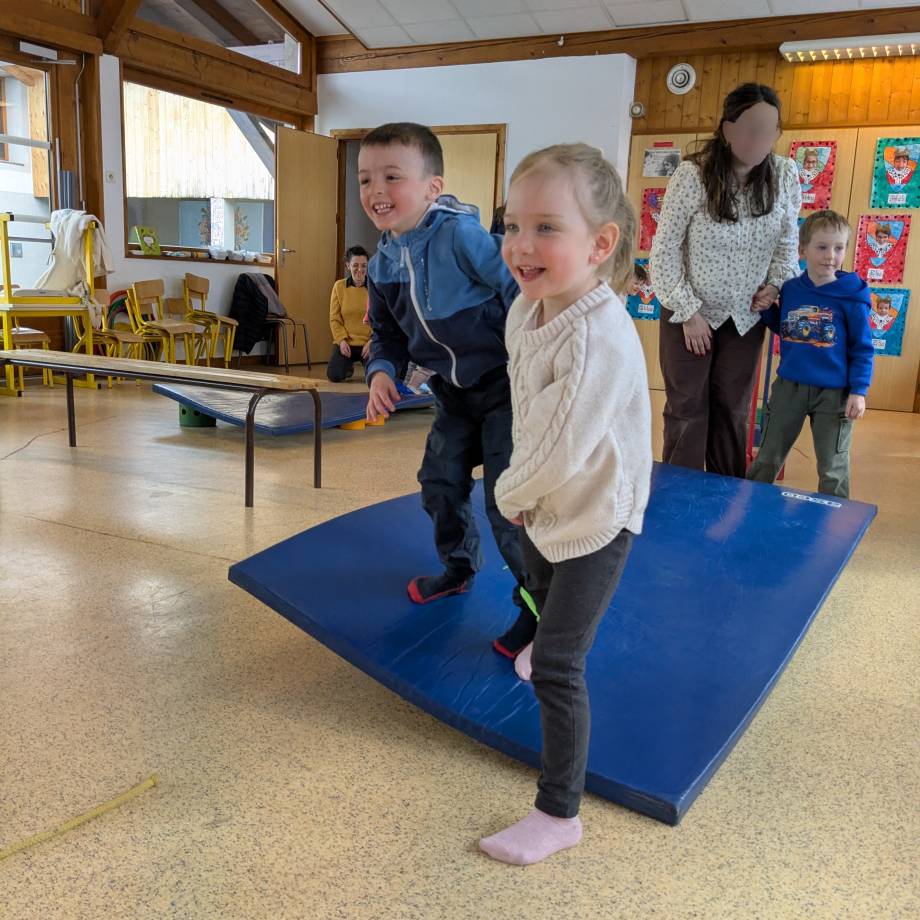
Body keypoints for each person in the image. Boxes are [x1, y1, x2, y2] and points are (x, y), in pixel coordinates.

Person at [478, 144, 652, 866]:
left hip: (598, 511)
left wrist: (511, 492)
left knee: (557, 664)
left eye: (546, 227)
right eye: (513, 224)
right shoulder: (530, 308)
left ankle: (559, 814)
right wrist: (528, 495)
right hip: (552, 501)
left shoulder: (595, 337)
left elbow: (559, 449)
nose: (520, 244)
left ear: (600, 244)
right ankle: (547, 633)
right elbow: (531, 412)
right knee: (542, 594)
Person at [358, 122, 528, 630]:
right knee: (438, 482)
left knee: (508, 501)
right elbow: (385, 332)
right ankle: (458, 567)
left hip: (505, 387)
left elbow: (518, 290)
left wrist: (535, 363)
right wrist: (381, 373)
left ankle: (539, 605)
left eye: (392, 176)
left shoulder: (462, 235)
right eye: (365, 179)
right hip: (452, 392)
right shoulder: (384, 261)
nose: (376, 191)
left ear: (433, 186)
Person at [650, 83, 802, 477]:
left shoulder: (785, 175)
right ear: (727, 128)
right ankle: (680, 492)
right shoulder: (693, 175)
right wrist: (687, 312)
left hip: (746, 315)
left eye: (770, 130)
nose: (760, 139)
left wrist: (776, 284)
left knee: (733, 407)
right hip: (688, 310)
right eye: (751, 128)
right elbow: (663, 250)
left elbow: (788, 246)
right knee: (688, 405)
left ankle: (725, 493)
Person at [747, 210, 873, 498]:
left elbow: (863, 348)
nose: (831, 255)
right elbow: (787, 328)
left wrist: (859, 391)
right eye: (822, 247)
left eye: (839, 248)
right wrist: (766, 308)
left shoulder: (851, 296)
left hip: (835, 394)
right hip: (789, 387)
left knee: (833, 467)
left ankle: (834, 527)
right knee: (767, 458)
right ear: (802, 250)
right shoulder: (791, 289)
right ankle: (751, 507)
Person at [327, 245, 371, 382]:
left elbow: (382, 320)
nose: (360, 270)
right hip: (346, 343)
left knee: (375, 377)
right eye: (355, 265)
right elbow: (334, 318)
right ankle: (348, 368)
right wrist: (341, 340)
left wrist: (373, 341)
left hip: (369, 344)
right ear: (348, 266)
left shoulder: (375, 288)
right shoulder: (339, 286)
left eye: (364, 266)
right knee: (334, 375)